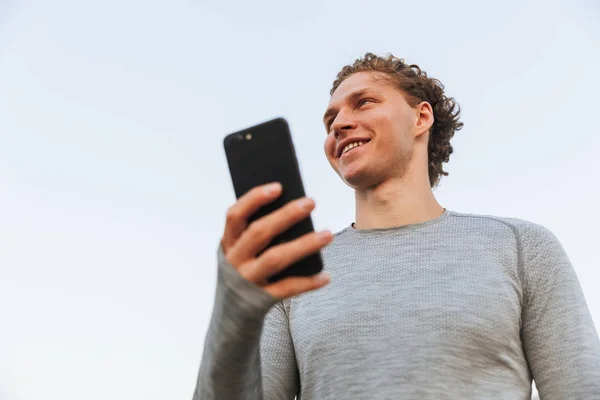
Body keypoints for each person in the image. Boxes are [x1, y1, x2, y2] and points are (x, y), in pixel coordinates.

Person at [193, 53, 600, 399]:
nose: (339, 124)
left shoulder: (521, 247)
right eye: (330, 118)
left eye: (363, 102)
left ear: (421, 117)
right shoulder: (298, 272)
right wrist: (235, 306)